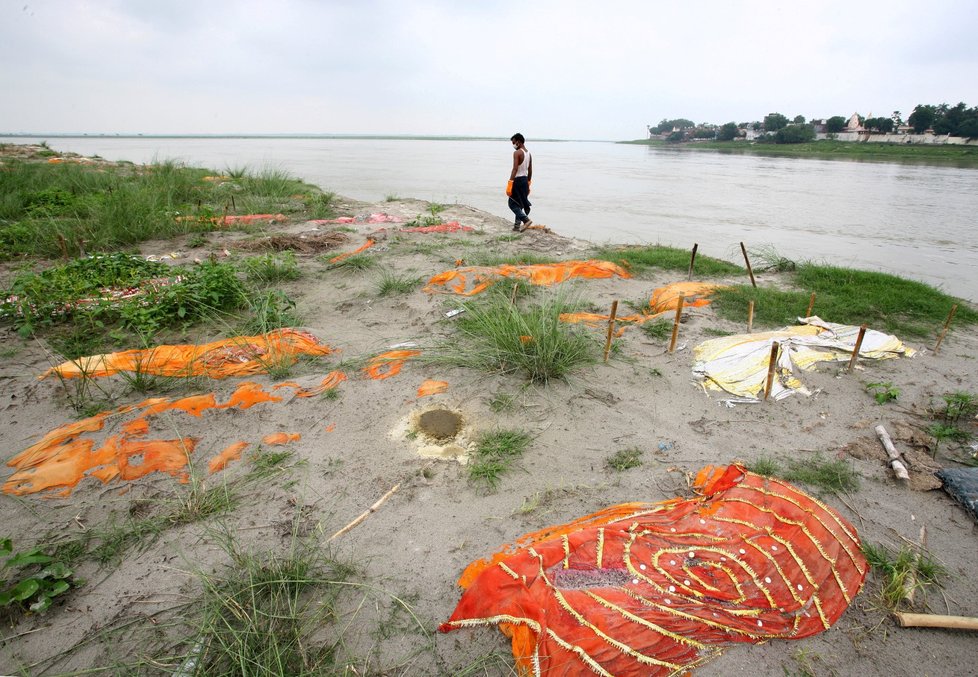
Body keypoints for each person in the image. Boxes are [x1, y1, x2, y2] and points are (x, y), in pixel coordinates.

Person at [507, 133, 533, 231]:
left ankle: (526, 220)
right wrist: (529, 183)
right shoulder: (529, 154)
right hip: (525, 180)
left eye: (513, 142)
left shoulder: (517, 153)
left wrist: (510, 182)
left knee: (512, 203)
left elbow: (514, 169)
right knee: (520, 203)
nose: (513, 145)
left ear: (518, 141)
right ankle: (517, 226)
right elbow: (530, 171)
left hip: (517, 180)